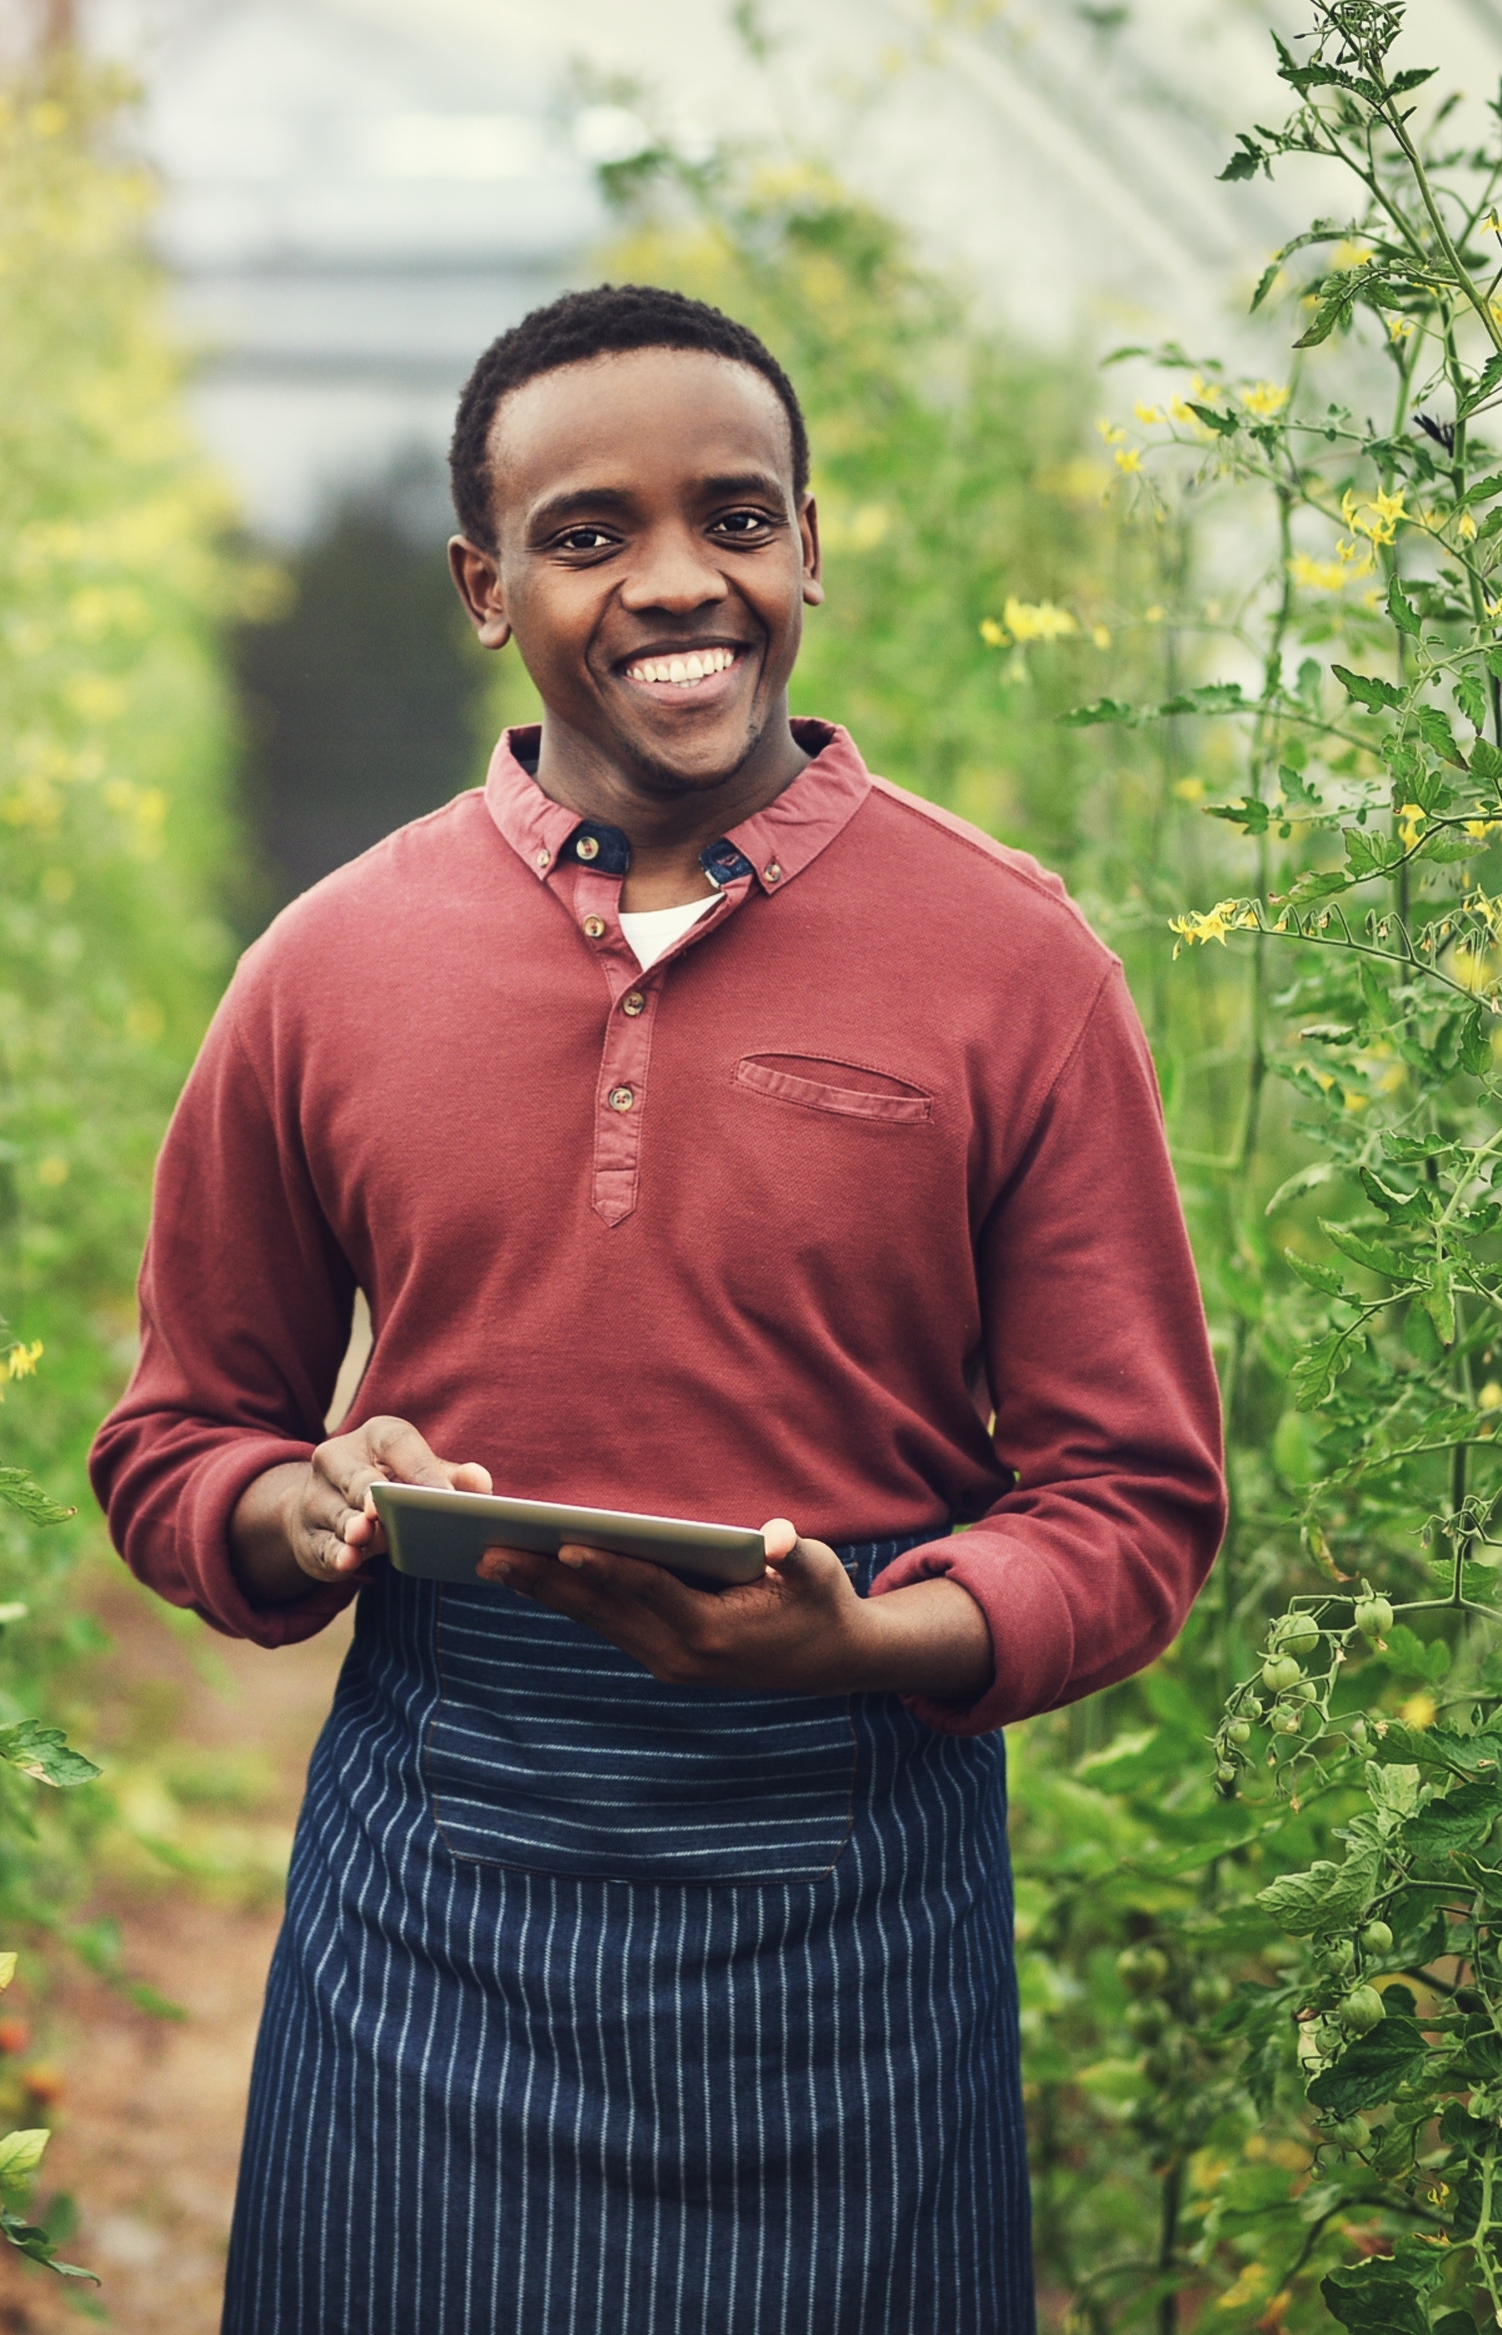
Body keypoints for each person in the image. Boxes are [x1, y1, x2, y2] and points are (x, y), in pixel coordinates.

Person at [90, 283, 1225, 2334]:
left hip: (853, 1895)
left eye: (736, 513)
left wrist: (865, 1635)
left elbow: (1132, 1500)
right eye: (589, 533)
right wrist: (308, 1505)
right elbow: (182, 1437)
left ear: (808, 543)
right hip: (439, 1886)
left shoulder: (1009, 961)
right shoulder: (332, 969)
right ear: (484, 583)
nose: (677, 581)